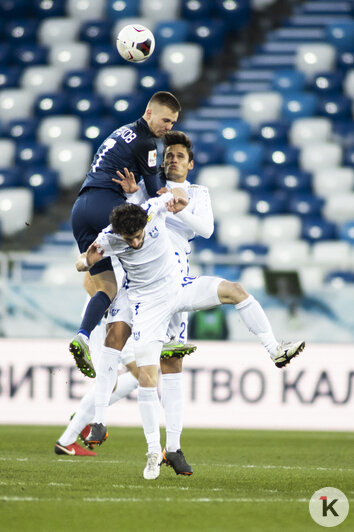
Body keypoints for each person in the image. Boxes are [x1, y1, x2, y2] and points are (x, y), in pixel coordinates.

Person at [76, 190, 305, 480]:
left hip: (180, 286)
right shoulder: (109, 237)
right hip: (147, 305)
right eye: (128, 239)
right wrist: (87, 261)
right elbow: (82, 263)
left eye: (137, 236)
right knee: (147, 379)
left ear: (144, 223)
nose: (134, 242)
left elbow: (174, 194)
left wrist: (180, 198)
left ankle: (274, 349)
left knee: (235, 290)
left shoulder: (152, 210)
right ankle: (152, 452)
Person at [55, 132, 214, 473]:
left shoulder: (197, 195)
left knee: (161, 373)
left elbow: (206, 230)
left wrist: (175, 205)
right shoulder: (144, 194)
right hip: (136, 293)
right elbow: (114, 238)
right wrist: (136, 193)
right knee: (135, 369)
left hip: (174, 289)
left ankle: (169, 446)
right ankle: (89, 423)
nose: (172, 160)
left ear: (190, 163)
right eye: (167, 155)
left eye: (179, 156)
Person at [69, 91, 181, 377]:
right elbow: (156, 188)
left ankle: (83, 335)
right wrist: (173, 189)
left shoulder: (122, 131)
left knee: (107, 286)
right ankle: (165, 336)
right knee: (149, 250)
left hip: (81, 208)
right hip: (108, 205)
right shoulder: (148, 142)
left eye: (173, 122)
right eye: (166, 120)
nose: (169, 127)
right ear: (149, 113)